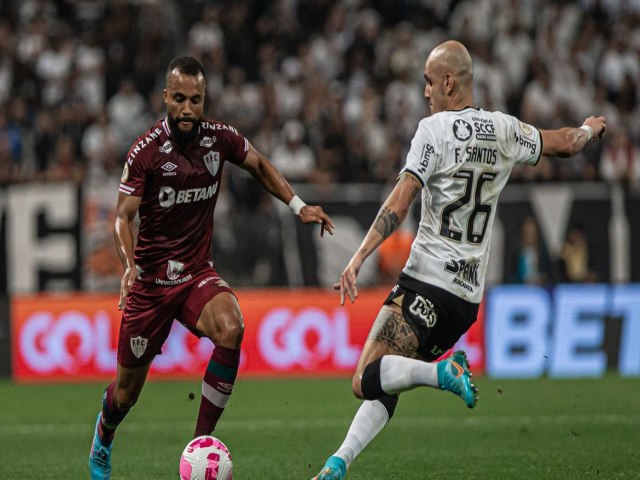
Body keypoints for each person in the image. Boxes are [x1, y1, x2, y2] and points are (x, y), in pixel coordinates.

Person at [312, 40, 606, 480]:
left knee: (366, 377)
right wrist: (588, 127)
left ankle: (442, 373)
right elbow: (565, 143)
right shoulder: (505, 130)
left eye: (429, 82)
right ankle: (338, 464)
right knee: (391, 376)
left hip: (425, 281)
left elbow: (401, 199)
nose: (425, 92)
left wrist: (359, 255)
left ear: (448, 81)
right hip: (465, 303)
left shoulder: (433, 130)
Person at [88, 56, 334, 480]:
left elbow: (256, 163)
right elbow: (121, 218)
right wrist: (128, 266)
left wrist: (298, 206)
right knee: (125, 395)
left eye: (196, 100)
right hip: (150, 285)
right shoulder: (145, 152)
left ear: (205, 100)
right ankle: (104, 436)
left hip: (196, 273)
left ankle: (199, 444)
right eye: (179, 99)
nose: (187, 108)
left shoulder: (219, 139)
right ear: (165, 97)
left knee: (232, 327)